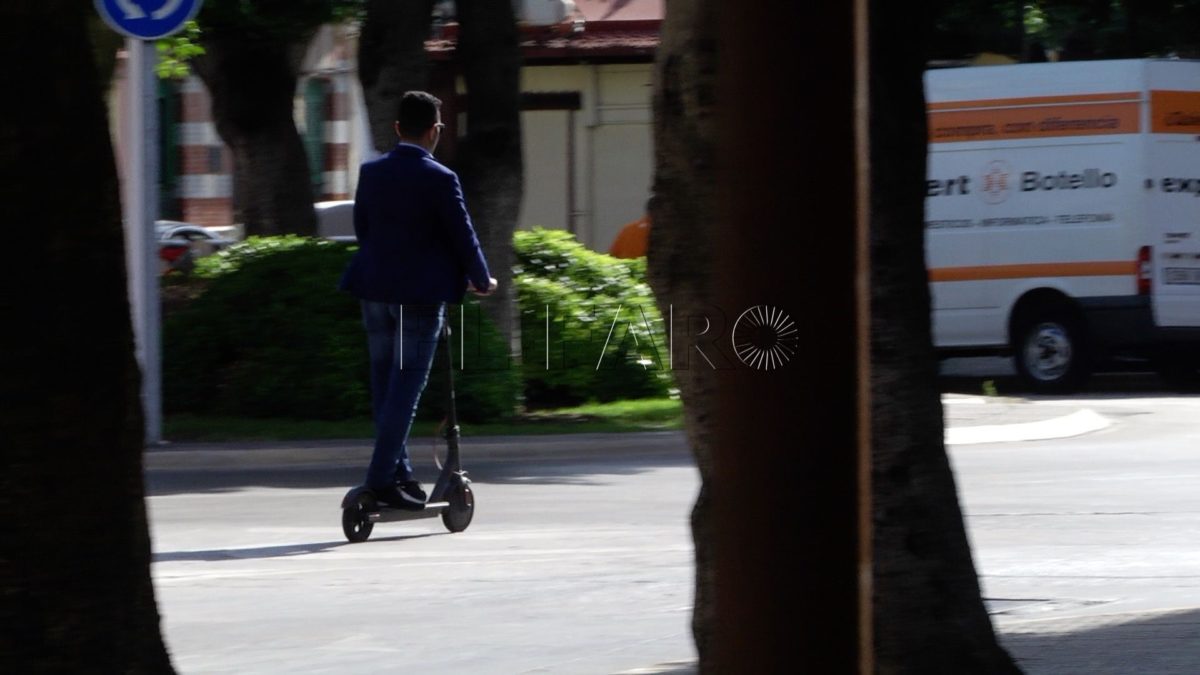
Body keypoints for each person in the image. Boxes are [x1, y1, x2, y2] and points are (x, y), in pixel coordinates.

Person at [340, 91, 498, 509]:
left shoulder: (371, 173)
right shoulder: (441, 178)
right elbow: (463, 235)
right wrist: (481, 279)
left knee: (384, 388)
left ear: (397, 129)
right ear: (434, 130)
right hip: (420, 297)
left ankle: (401, 474)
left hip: (373, 290)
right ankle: (379, 481)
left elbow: (364, 229)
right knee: (406, 389)